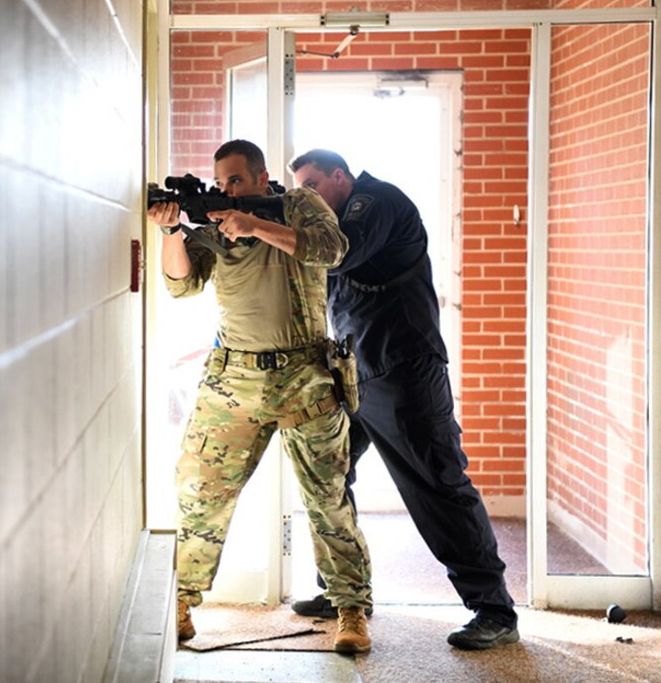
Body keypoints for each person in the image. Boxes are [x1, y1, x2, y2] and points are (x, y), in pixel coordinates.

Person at [288, 148, 519, 651]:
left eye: (312, 185)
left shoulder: (377, 203)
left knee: (436, 485)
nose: (305, 198)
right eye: (297, 190)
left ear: (340, 177)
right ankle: (345, 590)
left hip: (406, 371)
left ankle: (494, 609)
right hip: (354, 374)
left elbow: (339, 256)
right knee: (327, 476)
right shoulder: (333, 219)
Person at [149, 139, 373, 654]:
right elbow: (182, 284)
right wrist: (170, 232)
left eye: (237, 181)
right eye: (221, 181)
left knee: (327, 501)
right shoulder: (213, 229)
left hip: (306, 376)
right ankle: (180, 602)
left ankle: (351, 610)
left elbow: (332, 250)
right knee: (201, 495)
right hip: (235, 381)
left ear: (261, 177)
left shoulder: (297, 205)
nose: (228, 189)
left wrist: (254, 225)